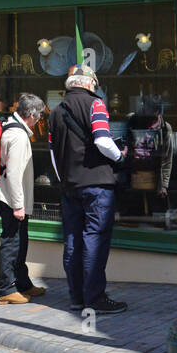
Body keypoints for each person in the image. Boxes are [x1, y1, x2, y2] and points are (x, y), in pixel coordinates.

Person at [48, 64, 128, 315]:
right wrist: (120, 157)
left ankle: (77, 297)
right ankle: (95, 298)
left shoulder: (56, 111)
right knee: (95, 238)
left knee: (72, 240)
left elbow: (52, 154)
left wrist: (62, 178)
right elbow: (103, 140)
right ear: (90, 83)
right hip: (96, 184)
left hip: (69, 184)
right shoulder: (96, 104)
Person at [0, 93, 47, 305]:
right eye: (39, 116)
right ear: (31, 114)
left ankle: (22, 283)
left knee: (20, 242)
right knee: (11, 243)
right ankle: (6, 289)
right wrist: (18, 206)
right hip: (10, 198)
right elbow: (13, 174)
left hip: (10, 196)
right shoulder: (19, 136)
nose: (40, 120)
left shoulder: (12, 127)